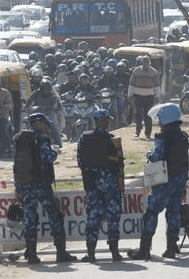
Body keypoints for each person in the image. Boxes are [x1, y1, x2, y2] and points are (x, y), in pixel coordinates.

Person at [13, 113, 78, 264]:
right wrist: (56, 151)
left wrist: (18, 187)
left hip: (26, 185)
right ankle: (61, 253)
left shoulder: (20, 139)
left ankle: (32, 255)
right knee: (55, 215)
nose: (46, 126)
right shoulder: (41, 139)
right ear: (39, 123)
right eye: (45, 123)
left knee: (30, 219)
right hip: (41, 184)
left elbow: (16, 165)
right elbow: (47, 157)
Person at [129, 103, 189, 260]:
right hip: (180, 180)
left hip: (164, 180)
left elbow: (156, 157)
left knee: (152, 212)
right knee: (174, 212)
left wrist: (150, 154)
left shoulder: (163, 137)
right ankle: (171, 248)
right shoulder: (183, 136)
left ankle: (144, 249)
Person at [77, 109, 123, 263]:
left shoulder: (84, 138)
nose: (108, 123)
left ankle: (91, 254)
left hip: (92, 183)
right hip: (110, 183)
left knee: (93, 218)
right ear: (104, 122)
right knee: (113, 217)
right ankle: (115, 253)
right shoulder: (113, 139)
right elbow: (119, 163)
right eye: (107, 120)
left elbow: (80, 162)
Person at [128, 55, 160, 139]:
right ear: (141, 62)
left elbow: (157, 85)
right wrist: (130, 95)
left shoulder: (153, 72)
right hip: (138, 95)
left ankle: (148, 133)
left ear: (149, 63)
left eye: (147, 62)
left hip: (149, 96)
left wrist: (157, 96)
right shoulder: (136, 71)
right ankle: (137, 131)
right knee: (138, 114)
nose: (145, 64)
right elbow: (131, 84)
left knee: (148, 115)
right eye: (144, 62)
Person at [26, 79, 63, 148]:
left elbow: (55, 104)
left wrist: (53, 107)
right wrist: (27, 106)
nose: (46, 91)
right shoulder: (36, 92)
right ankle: (27, 141)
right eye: (45, 89)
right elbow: (29, 101)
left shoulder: (52, 95)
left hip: (48, 113)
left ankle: (59, 142)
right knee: (29, 124)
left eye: (48, 89)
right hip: (37, 112)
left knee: (54, 126)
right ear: (42, 88)